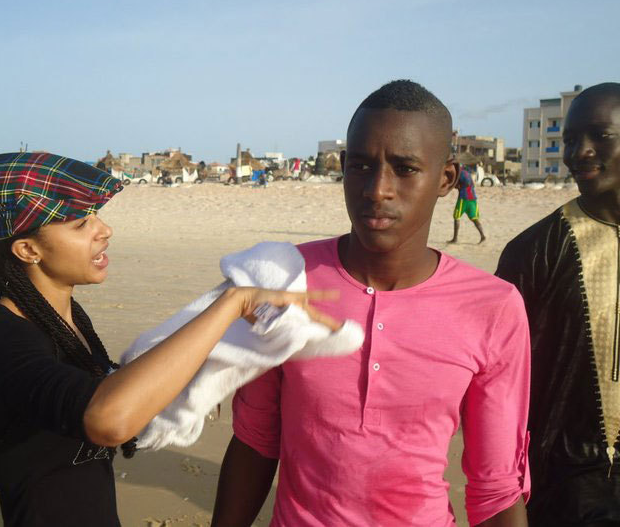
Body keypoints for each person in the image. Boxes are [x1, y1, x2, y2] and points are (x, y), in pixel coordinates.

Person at [0, 152, 336, 527]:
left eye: (96, 215)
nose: (103, 230)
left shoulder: (65, 319)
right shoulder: (0, 340)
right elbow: (107, 421)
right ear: (28, 249)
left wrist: (193, 376)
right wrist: (233, 302)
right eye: (80, 224)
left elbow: (111, 389)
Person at [212, 80, 531, 527]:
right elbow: (255, 439)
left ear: (445, 179)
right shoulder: (287, 277)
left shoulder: (492, 307)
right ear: (344, 168)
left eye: (404, 169)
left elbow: (495, 486)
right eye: (362, 166)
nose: (377, 189)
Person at [496, 82, 620, 526]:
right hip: (564, 487)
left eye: (599, 136)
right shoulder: (534, 251)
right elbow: (496, 380)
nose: (578, 152)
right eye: (569, 140)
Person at [448, 162, 486, 244]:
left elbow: (463, 184)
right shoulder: (467, 173)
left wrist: (457, 185)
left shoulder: (459, 174)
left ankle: (455, 238)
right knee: (474, 218)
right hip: (473, 199)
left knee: (456, 216)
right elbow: (470, 184)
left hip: (463, 198)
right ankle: (482, 235)